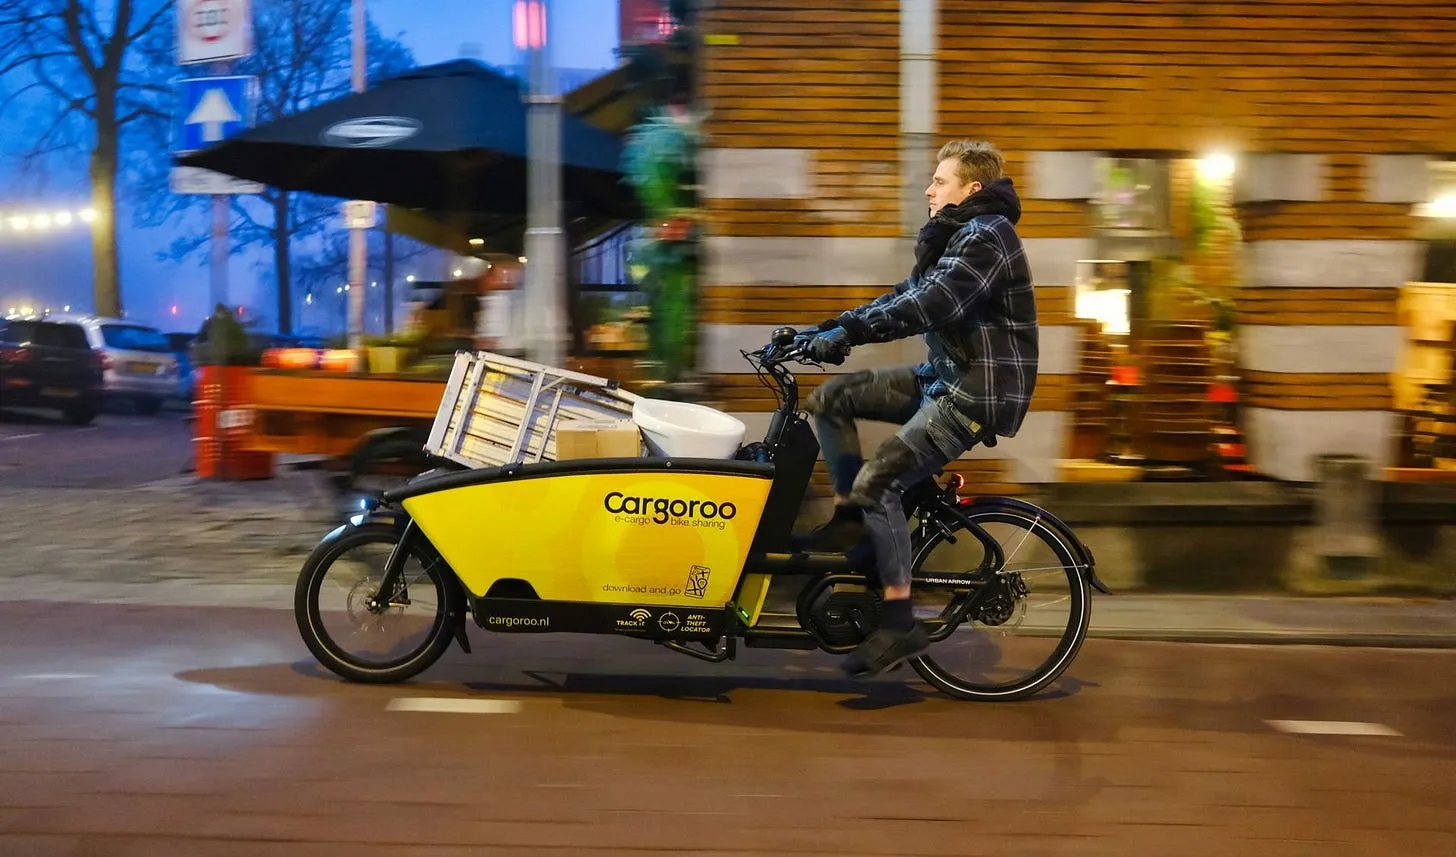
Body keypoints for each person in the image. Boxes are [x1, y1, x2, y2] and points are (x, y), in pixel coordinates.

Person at [794, 139, 1038, 679]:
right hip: (943, 378)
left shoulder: (988, 236)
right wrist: (827, 327)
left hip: (975, 392)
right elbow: (902, 294)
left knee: (880, 476)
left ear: (972, 190)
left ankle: (899, 620)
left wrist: (851, 331)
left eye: (940, 181)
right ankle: (851, 521)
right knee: (832, 398)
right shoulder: (957, 236)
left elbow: (935, 303)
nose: (928, 189)